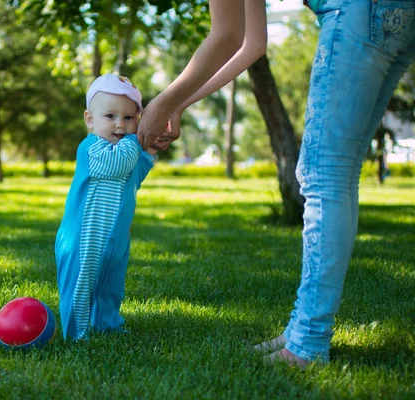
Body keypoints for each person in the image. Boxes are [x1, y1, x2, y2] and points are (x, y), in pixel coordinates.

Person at [137, 0, 415, 367]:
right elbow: (252, 44)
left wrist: (163, 101)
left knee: (325, 174)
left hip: (355, 10)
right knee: (340, 172)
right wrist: (180, 103)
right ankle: (305, 329)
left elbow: (226, 33)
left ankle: (307, 343)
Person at [55, 74, 157, 341]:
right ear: (90, 120)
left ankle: (107, 324)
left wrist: (150, 150)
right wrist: (139, 139)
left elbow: (136, 172)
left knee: (111, 286)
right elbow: (117, 165)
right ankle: (76, 335)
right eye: (110, 116)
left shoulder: (127, 149)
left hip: (116, 239)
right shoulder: (91, 148)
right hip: (85, 238)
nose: (120, 125)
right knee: (81, 286)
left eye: (128, 118)